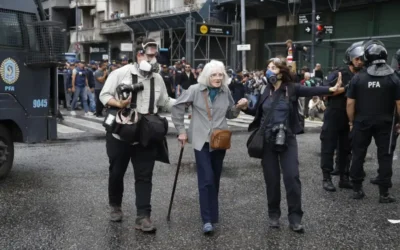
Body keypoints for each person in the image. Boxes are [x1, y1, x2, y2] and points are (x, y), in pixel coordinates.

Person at [244, 58, 341, 233]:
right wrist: (244, 107)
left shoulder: (291, 88)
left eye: (272, 68)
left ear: (281, 71)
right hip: (267, 140)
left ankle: (295, 218)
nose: (268, 71)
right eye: (268, 68)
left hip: (287, 138)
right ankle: (274, 215)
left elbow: (310, 90)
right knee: (272, 180)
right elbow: (256, 111)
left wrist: (331, 89)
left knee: (292, 178)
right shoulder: (265, 89)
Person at [99, 40, 175, 232]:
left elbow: (165, 102)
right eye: (149, 55)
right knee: (117, 172)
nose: (153, 59)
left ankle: (143, 216)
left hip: (145, 134)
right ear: (139, 55)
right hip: (121, 134)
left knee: (145, 175)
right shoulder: (120, 73)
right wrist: (119, 104)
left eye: (155, 55)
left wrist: (186, 102)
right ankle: (115, 205)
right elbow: (104, 95)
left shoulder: (157, 78)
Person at [171, 60, 248, 234]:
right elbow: (177, 107)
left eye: (220, 75)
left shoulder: (225, 91)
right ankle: (207, 219)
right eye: (214, 75)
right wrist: (181, 131)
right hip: (201, 140)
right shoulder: (195, 90)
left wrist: (239, 107)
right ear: (207, 76)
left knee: (215, 178)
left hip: (219, 140)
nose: (218, 78)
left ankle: (212, 214)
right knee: (206, 179)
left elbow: (230, 113)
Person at [346, 42, 400, 203]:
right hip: (386, 123)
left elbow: (350, 103)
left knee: (358, 154)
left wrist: (351, 121)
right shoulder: (393, 78)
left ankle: (357, 190)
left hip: (362, 121)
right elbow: (399, 104)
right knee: (385, 156)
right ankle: (383, 194)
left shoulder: (358, 78)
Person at [319, 42, 364, 192]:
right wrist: (345, 88)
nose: (359, 61)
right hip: (334, 114)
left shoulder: (364, 75)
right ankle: (326, 178)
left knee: (346, 149)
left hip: (351, 117)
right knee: (328, 147)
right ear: (351, 58)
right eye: (357, 58)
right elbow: (325, 92)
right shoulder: (339, 73)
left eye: (361, 59)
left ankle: (344, 178)